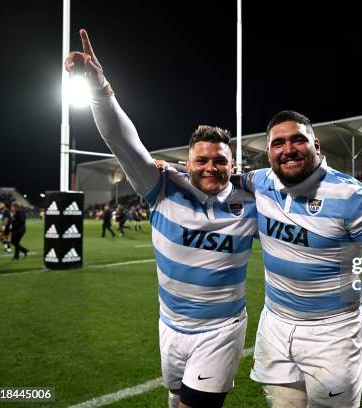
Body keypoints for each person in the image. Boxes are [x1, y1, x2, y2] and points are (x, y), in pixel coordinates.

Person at [66, 29, 257, 408]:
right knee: (174, 396)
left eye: (220, 160)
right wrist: (100, 89)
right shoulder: (162, 187)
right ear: (187, 163)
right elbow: (123, 141)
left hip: (222, 328)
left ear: (233, 164)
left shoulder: (252, 199)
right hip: (170, 323)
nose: (210, 167)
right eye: (201, 160)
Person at [240, 110, 362, 407]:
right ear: (268, 152)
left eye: (298, 140)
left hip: (332, 331)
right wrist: (168, 172)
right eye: (278, 143)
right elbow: (214, 180)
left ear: (316, 145)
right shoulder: (259, 181)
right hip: (275, 323)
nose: (288, 149)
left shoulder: (351, 196)